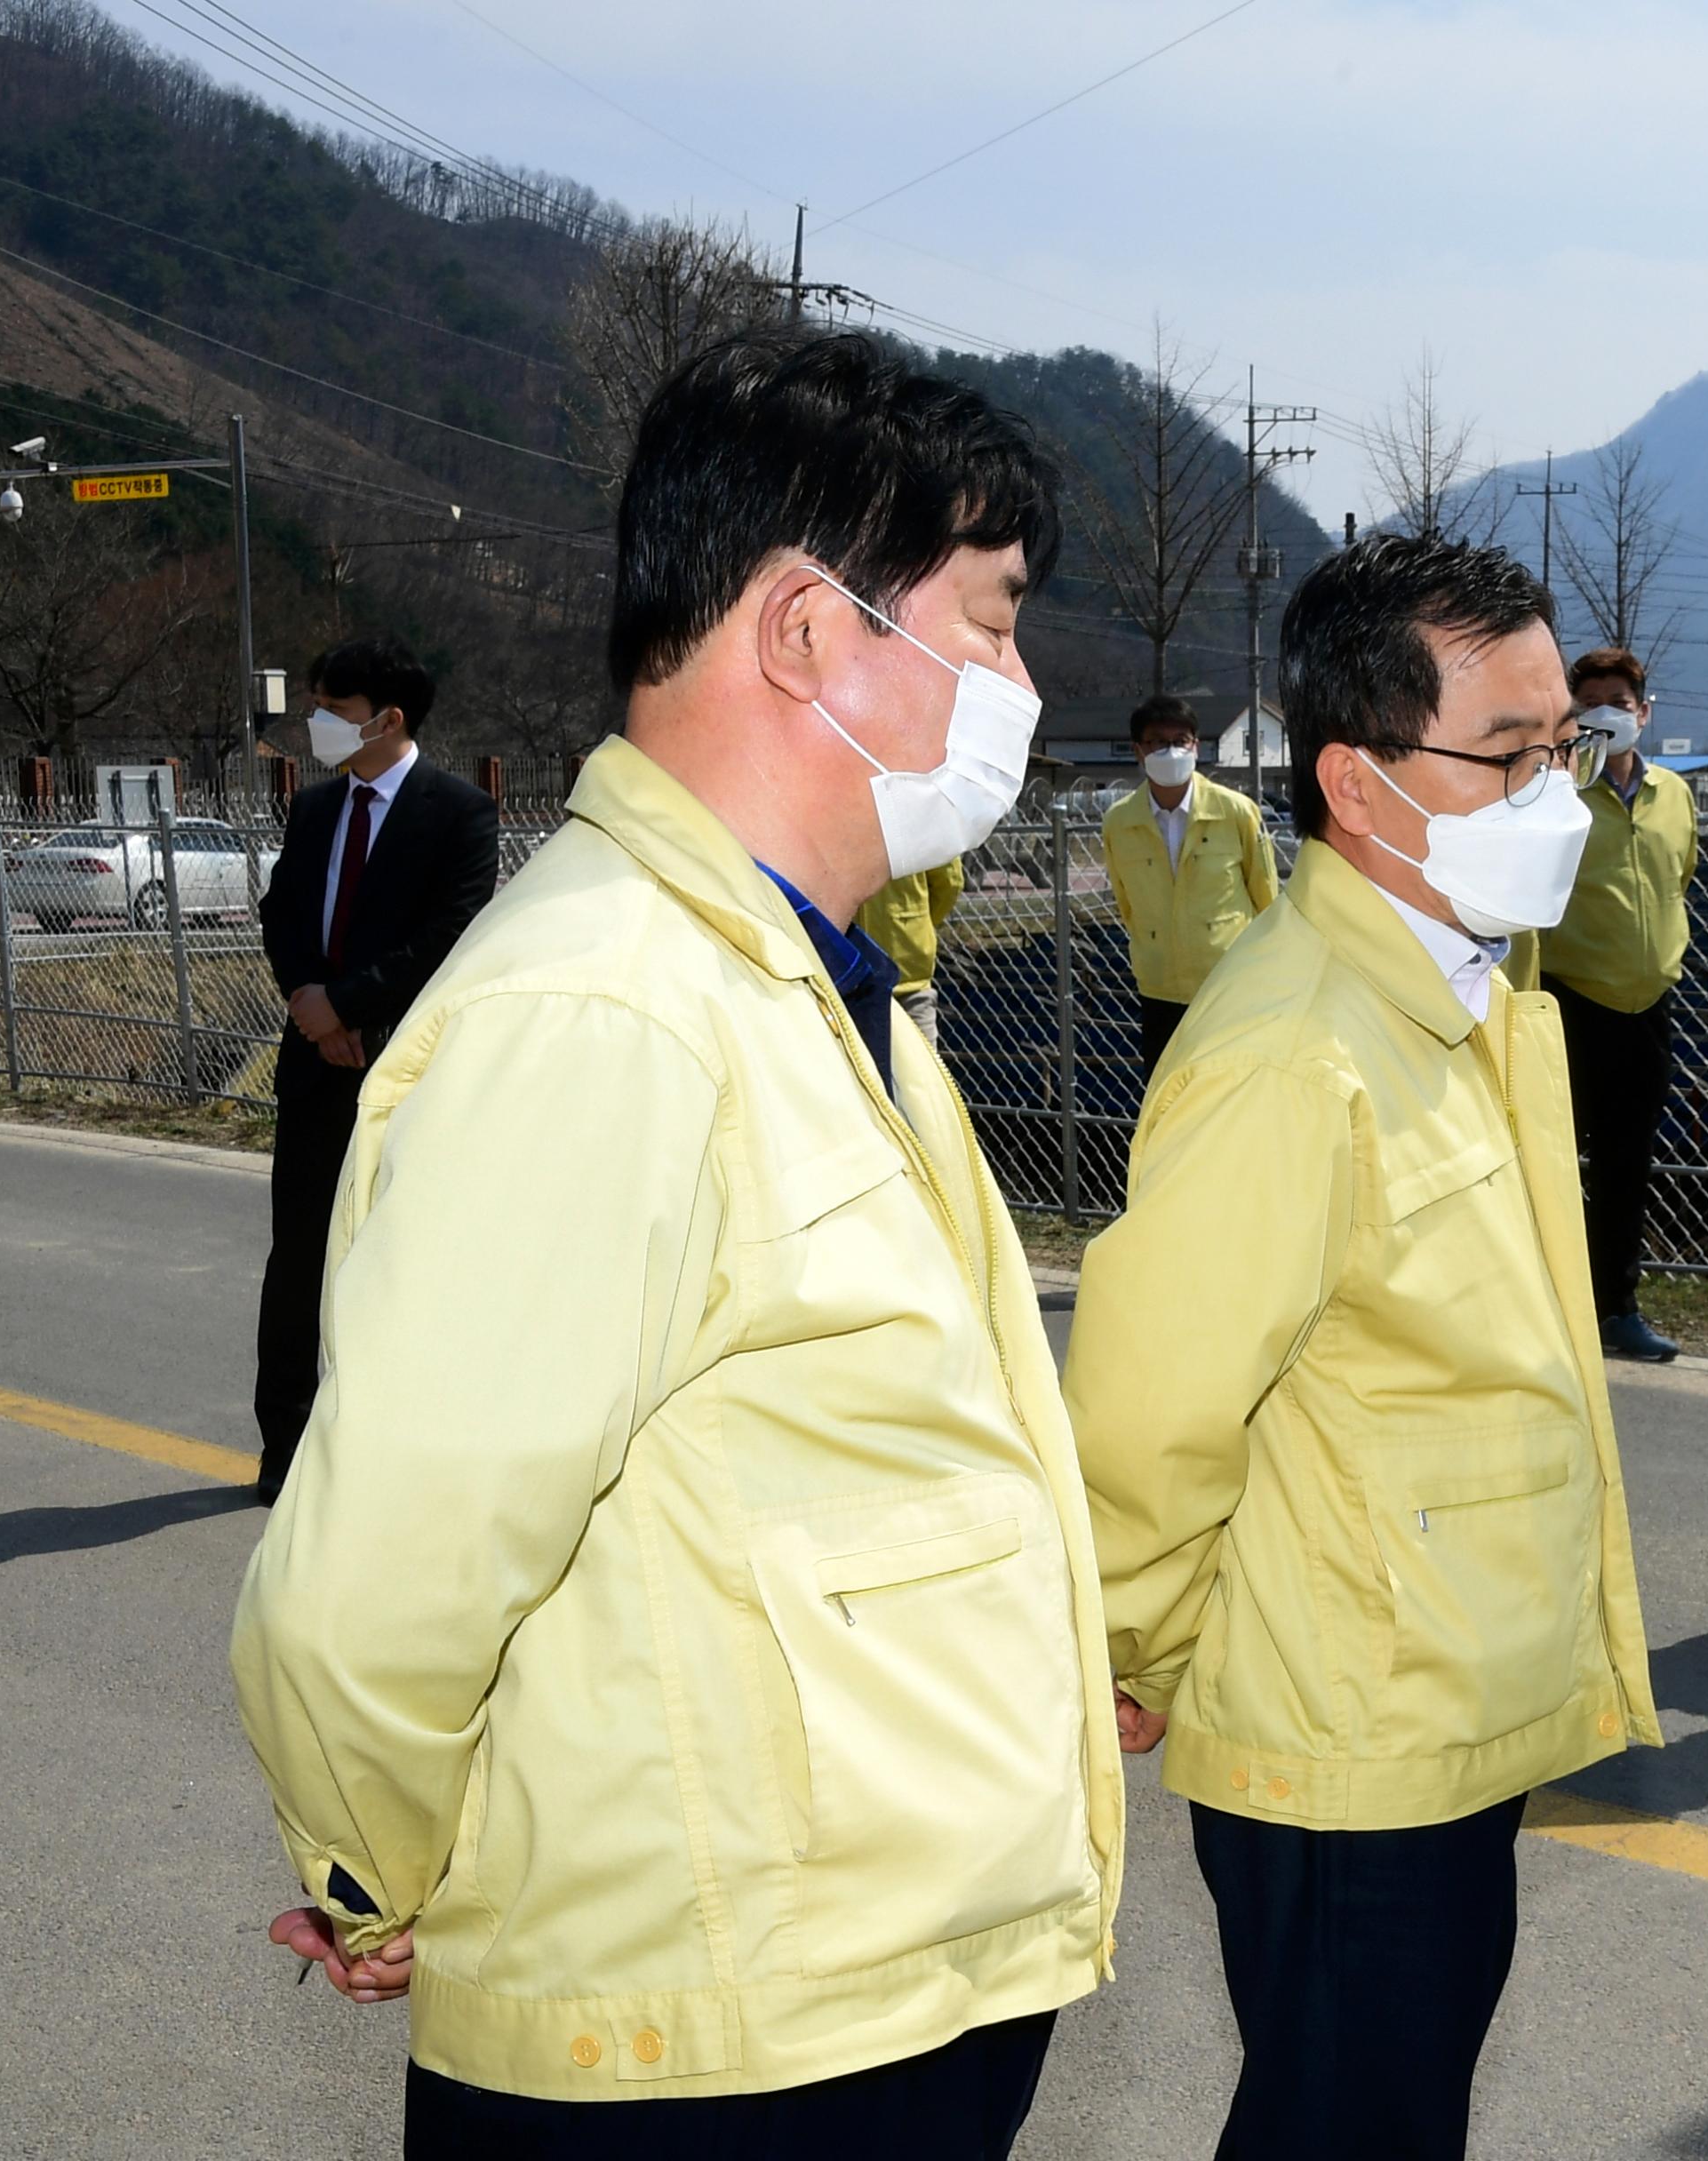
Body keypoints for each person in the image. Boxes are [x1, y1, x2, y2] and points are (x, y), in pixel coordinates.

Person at [232, 331, 1122, 2157]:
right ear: (806, 634)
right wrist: (369, 1869)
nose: (1021, 682)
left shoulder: (793, 981)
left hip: (842, 1990)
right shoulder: (611, 1009)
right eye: (991, 619)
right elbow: (391, 1567)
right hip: (713, 2040)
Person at [1066, 533, 1658, 2161]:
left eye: (1570, 750)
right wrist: (1123, 1649)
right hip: (1346, 1732)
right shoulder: (1288, 1047)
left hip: (1426, 1700)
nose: (1560, 791)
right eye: (1512, 756)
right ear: (1355, 776)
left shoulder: (1463, 981)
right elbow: (1150, 1408)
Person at [251, 636, 498, 1503]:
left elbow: (451, 933)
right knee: (300, 1257)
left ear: (389, 719)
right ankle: (284, 1447)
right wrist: (309, 1003)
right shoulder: (315, 809)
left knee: (407, 1257)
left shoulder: (457, 811)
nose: (317, 724)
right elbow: (281, 912)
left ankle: (399, 1446)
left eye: (334, 710)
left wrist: (350, 1002)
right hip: (316, 1065)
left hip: (407, 1066)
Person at [1540, 644, 1700, 1362]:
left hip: (1649, 1008)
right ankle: (1542, 1303)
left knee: (1626, 1165)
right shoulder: (1553, 798)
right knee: (1548, 1160)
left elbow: (1681, 878)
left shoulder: (1676, 796)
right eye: (1591, 706)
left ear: (1644, 712)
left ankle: (1614, 1308)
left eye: (1620, 705)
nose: (1606, 717)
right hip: (1570, 1002)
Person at [1104, 690, 1280, 1074]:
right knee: (1168, 1100)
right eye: (1158, 743)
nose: (1171, 752)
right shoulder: (1119, 822)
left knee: (1234, 1093)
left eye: (1180, 741)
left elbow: (1267, 898)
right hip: (1159, 990)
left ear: (1196, 746)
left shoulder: (1236, 812)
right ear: (1138, 751)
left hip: (1229, 984)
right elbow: (1127, 905)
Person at [856, 856, 965, 1051]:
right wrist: (916, 927)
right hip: (907, 973)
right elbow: (950, 880)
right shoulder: (925, 824)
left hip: (852, 973)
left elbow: (949, 882)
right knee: (923, 1074)